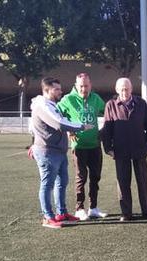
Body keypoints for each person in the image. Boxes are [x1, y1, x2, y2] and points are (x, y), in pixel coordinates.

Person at [30, 76, 90, 229]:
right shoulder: (43, 105)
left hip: (58, 151)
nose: (60, 91)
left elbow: (37, 128)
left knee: (61, 182)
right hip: (48, 152)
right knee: (47, 184)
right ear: (46, 90)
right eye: (56, 89)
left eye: (60, 88)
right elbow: (59, 123)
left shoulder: (51, 104)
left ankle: (61, 213)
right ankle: (48, 217)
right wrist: (81, 126)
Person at [99, 78, 147, 222]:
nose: (124, 92)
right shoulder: (111, 105)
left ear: (131, 89)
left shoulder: (141, 103)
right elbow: (107, 129)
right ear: (117, 90)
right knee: (123, 182)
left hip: (140, 148)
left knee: (143, 181)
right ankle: (126, 213)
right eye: (122, 89)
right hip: (120, 149)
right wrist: (108, 148)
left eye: (127, 89)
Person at [57, 73, 108, 221]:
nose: (83, 89)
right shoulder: (68, 99)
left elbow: (109, 113)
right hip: (78, 146)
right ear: (76, 85)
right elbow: (56, 115)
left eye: (86, 86)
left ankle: (93, 208)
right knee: (81, 177)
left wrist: (103, 131)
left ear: (90, 85)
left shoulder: (96, 98)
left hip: (95, 145)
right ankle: (79, 209)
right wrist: (69, 129)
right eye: (81, 86)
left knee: (95, 177)